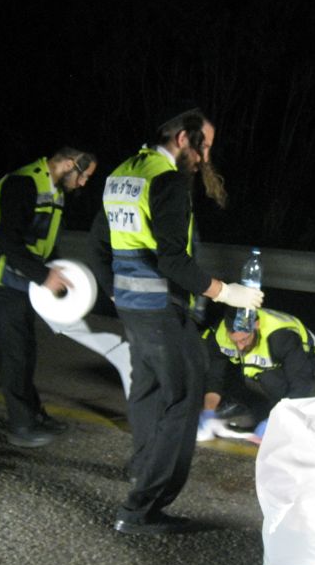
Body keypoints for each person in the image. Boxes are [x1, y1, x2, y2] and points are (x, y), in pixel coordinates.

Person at [89, 107, 263, 535]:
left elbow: (97, 245)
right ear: (184, 139)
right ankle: (141, 509)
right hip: (162, 309)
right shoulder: (167, 180)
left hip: (133, 307)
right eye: (203, 146)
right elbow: (172, 259)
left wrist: (117, 293)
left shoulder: (125, 173)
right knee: (183, 400)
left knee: (147, 390)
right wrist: (229, 292)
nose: (205, 158)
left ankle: (141, 470)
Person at [0, 147, 98, 448]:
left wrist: (60, 272)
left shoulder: (54, 192)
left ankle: (34, 414)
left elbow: (44, 244)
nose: (82, 184)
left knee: (25, 350)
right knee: (14, 354)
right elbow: (8, 241)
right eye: (84, 176)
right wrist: (45, 277)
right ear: (69, 164)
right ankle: (21, 426)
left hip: (22, 281)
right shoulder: (22, 183)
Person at [199, 308, 315, 444]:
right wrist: (209, 411)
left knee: (272, 382)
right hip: (255, 373)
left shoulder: (281, 337)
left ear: (256, 325)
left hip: (298, 371)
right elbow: (214, 378)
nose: (239, 346)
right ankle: (250, 410)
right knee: (222, 374)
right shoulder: (219, 336)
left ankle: (277, 415)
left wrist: (276, 420)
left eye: (244, 339)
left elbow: (301, 383)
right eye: (235, 340)